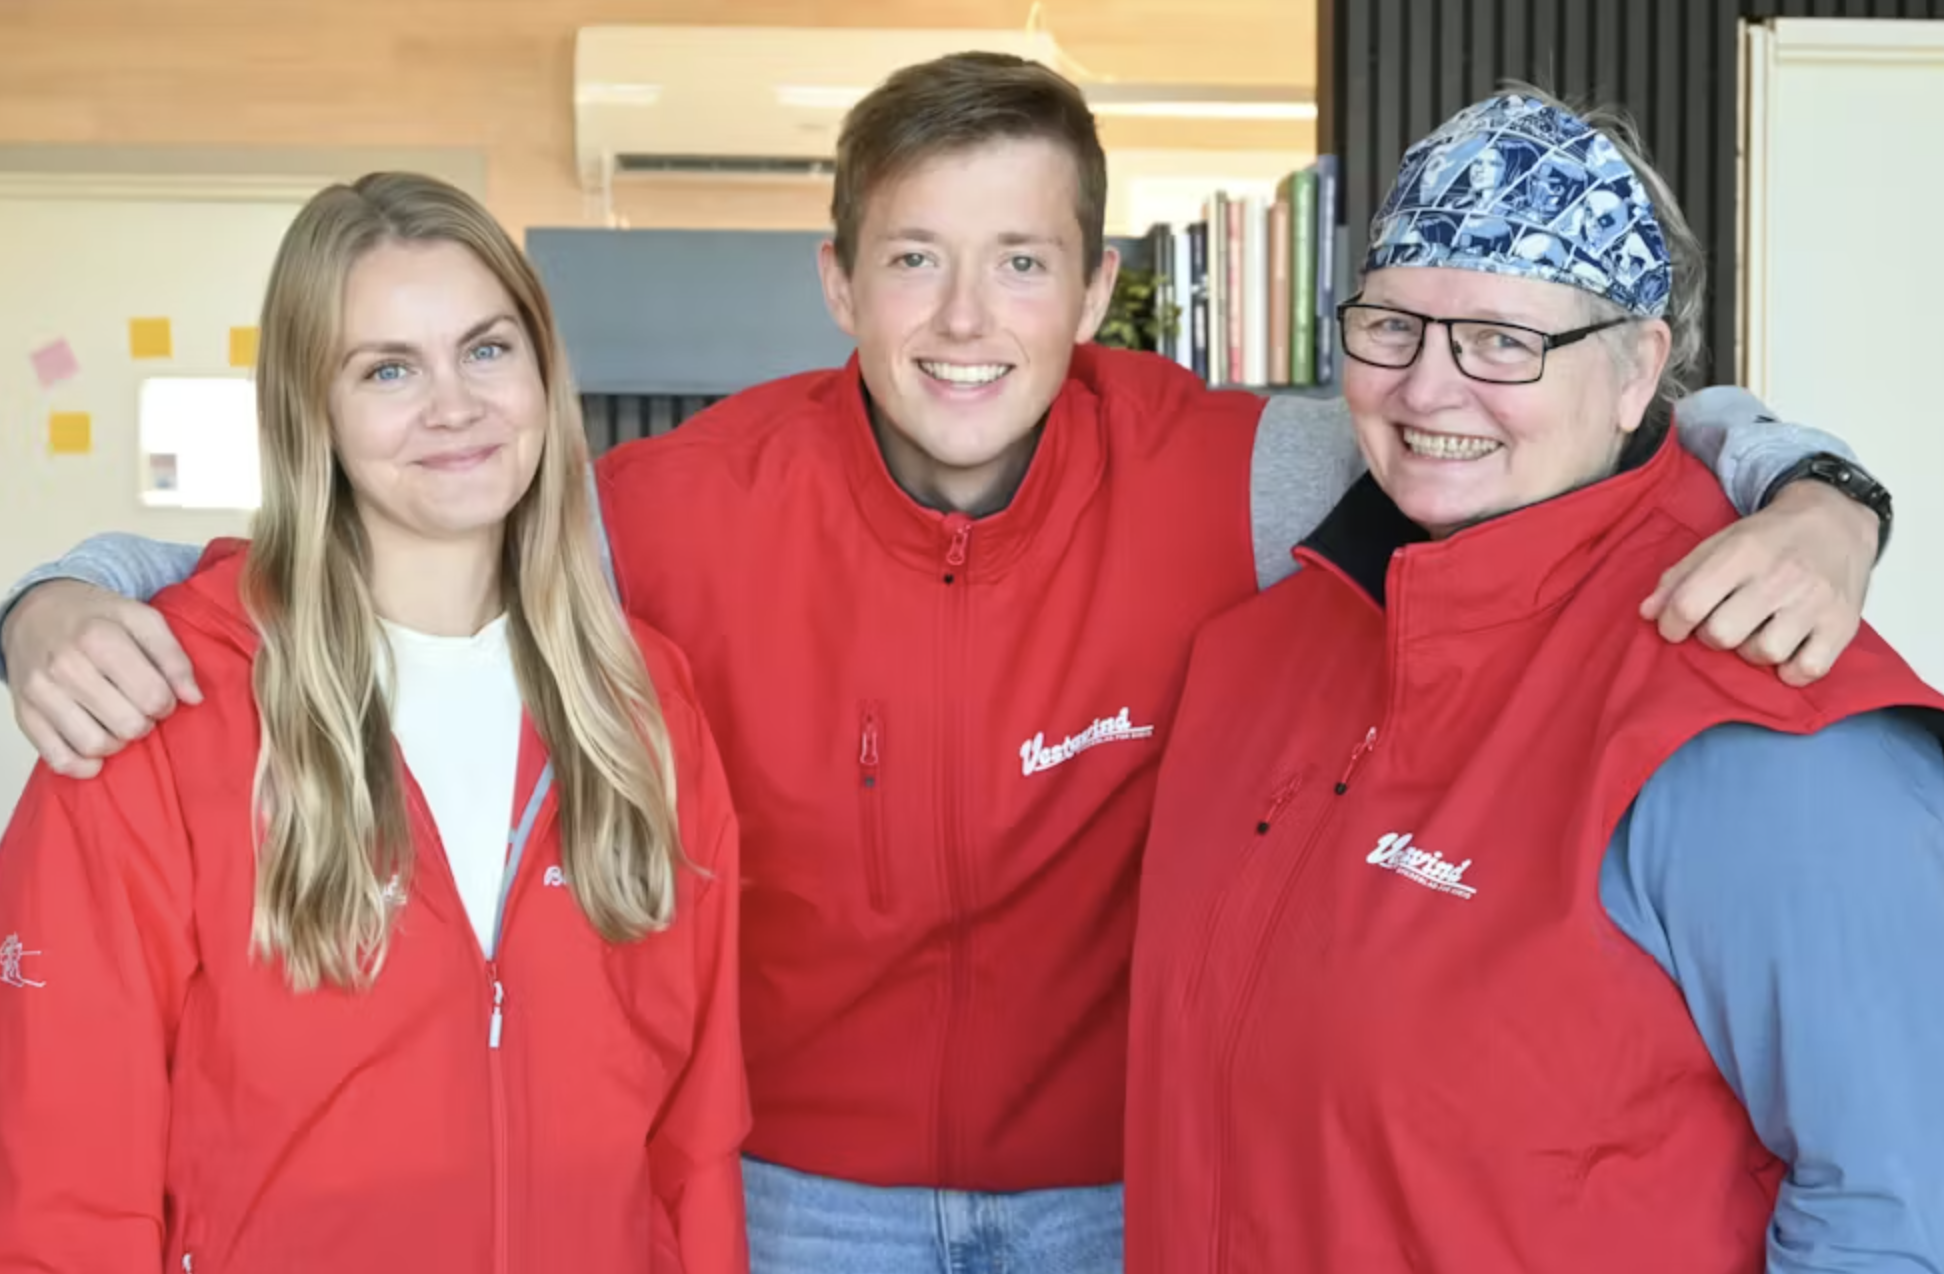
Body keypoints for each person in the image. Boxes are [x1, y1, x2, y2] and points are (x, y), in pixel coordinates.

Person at [0, 56, 1892, 1273]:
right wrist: (66, 591)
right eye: (912, 261)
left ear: (1094, 286)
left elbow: (1505, 398)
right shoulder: (672, 505)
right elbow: (391, 518)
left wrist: (1808, 482)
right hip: (793, 1199)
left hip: (1110, 1199)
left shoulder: (1248, 469)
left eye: (1018, 263)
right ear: (835, 284)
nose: (966, 320)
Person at [1125, 90, 1943, 1273]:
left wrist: (1829, 496)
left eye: (1505, 340)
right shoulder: (1269, 644)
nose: (1427, 387)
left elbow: (1900, 1209)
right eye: (1393, 325)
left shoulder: (1762, 716)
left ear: (1635, 370)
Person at [0, 173, 749, 1273]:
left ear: (544, 370)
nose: (455, 405)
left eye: (488, 349)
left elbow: (694, 1142)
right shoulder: (157, 708)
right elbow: (66, 1184)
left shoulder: (644, 704)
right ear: (313, 410)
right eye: (389, 368)